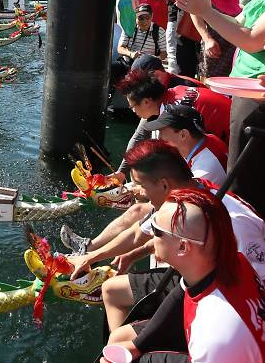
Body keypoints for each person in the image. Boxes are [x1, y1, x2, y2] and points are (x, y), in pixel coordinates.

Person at [68, 141, 265, 333]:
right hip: (195, 276)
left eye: (140, 185)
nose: (139, 193)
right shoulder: (178, 197)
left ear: (163, 184)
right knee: (111, 290)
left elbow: (256, 283)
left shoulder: (234, 221)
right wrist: (91, 257)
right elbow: (137, 234)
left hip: (221, 298)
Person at [101, 188, 265, 363]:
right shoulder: (224, 264)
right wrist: (137, 344)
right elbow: (180, 295)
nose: (151, 238)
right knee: (119, 339)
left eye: (156, 231)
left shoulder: (214, 336)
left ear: (183, 247)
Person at [61, 105, 228, 257]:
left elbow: (181, 195)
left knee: (139, 209)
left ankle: (89, 254)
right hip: (196, 208)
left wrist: (139, 191)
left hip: (201, 227)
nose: (159, 137)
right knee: (137, 210)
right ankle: (89, 248)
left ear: (183, 134)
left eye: (163, 132)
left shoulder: (206, 167)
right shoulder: (201, 144)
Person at [172, 0, 265, 216]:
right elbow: (239, 26)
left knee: (245, 188)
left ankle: (246, 247)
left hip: (257, 98)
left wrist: (206, 11)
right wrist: (204, 10)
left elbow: (252, 40)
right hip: (247, 92)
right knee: (241, 182)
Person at [114, 4, 167, 78]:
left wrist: (151, 58)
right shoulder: (129, 28)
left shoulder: (159, 31)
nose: (144, 21)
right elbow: (120, 48)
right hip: (128, 63)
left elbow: (164, 53)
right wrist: (131, 54)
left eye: (147, 17)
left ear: (152, 16)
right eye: (140, 18)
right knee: (111, 68)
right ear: (135, 18)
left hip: (147, 67)